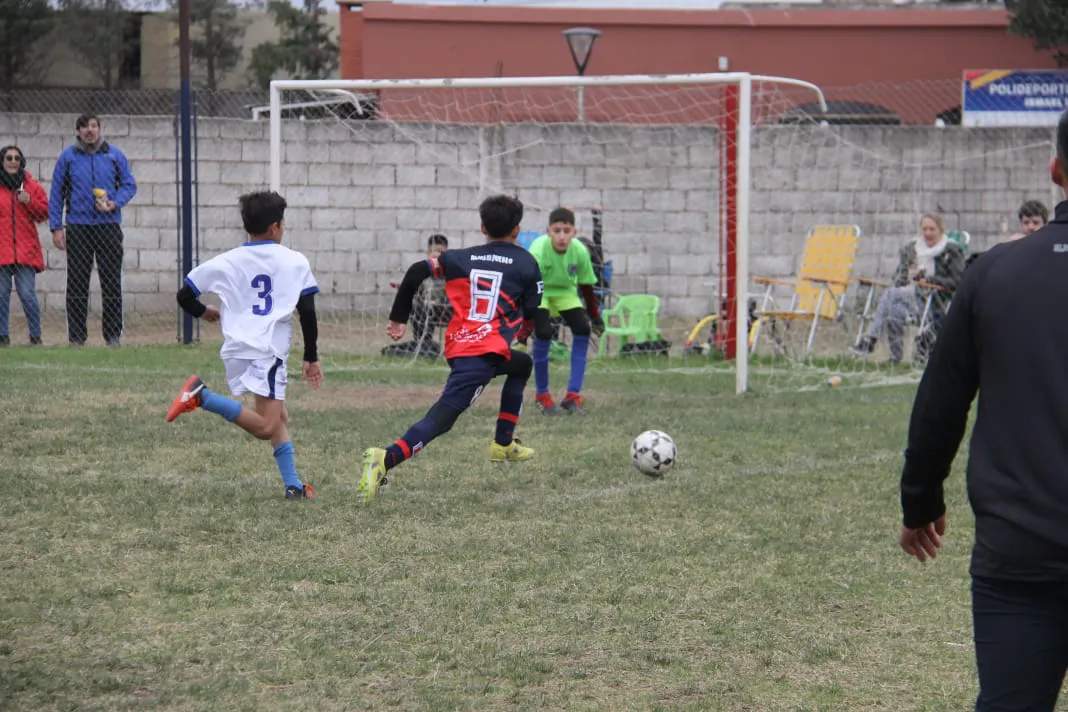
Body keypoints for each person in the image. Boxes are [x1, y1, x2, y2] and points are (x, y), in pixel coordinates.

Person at [898, 108, 1068, 711]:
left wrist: (920, 502)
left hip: (1018, 552)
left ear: (1055, 171)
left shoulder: (991, 273)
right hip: (1016, 556)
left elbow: (940, 403)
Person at [358, 194, 543, 505]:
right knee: (441, 420)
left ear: (483, 227)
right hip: (479, 356)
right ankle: (385, 458)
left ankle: (503, 443)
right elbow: (535, 311)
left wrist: (398, 318)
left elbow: (418, 270)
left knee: (521, 364)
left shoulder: (460, 258)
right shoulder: (527, 262)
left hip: (462, 346)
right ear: (518, 230)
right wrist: (525, 331)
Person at [165, 191, 323, 501]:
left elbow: (184, 295)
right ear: (276, 227)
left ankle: (293, 486)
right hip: (267, 352)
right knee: (266, 425)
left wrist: (204, 312)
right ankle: (202, 397)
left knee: (280, 417)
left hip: (238, 350)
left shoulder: (227, 260)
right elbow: (307, 311)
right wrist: (311, 356)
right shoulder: (294, 261)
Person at [49, 114, 137, 347]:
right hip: (78, 227)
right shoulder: (68, 157)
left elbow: (129, 185)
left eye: (94, 126)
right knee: (77, 282)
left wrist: (114, 203)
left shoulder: (114, 154)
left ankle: (113, 336)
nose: (90, 130)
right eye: (85, 127)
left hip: (108, 227)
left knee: (111, 282)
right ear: (77, 131)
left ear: (99, 129)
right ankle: (77, 338)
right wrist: (56, 227)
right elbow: (56, 192)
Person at [519, 207, 605, 415]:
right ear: (548, 231)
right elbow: (528, 286)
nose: (562, 236)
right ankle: (542, 396)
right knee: (544, 333)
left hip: (566, 293)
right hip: (541, 291)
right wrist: (525, 327)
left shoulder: (579, 251)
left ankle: (572, 396)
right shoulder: (538, 249)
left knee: (582, 329)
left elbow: (585, 287)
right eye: (557, 231)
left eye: (566, 231)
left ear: (574, 232)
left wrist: (595, 317)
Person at [852, 212, 965, 364]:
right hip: (911, 300)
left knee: (890, 295)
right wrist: (907, 276)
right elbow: (897, 278)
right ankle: (895, 358)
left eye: (932, 229)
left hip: (934, 305)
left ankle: (871, 339)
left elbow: (958, 280)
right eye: (924, 229)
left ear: (941, 230)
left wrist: (929, 280)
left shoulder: (950, 250)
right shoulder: (912, 249)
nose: (928, 233)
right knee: (892, 309)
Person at [0, 145, 48, 346]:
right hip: (2, 250)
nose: (13, 161)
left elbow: (44, 213)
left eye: (17, 158)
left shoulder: (31, 186)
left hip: (25, 250)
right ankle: (2, 336)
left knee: (27, 294)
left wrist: (29, 202)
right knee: (1, 294)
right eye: (8, 158)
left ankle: (35, 336)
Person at [382, 234, 451, 358]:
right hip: (425, 311)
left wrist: (440, 300)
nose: (438, 255)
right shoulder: (421, 271)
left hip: (447, 309)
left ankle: (430, 347)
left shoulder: (451, 272)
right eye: (436, 251)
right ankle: (424, 344)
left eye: (442, 252)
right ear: (428, 252)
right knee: (417, 305)